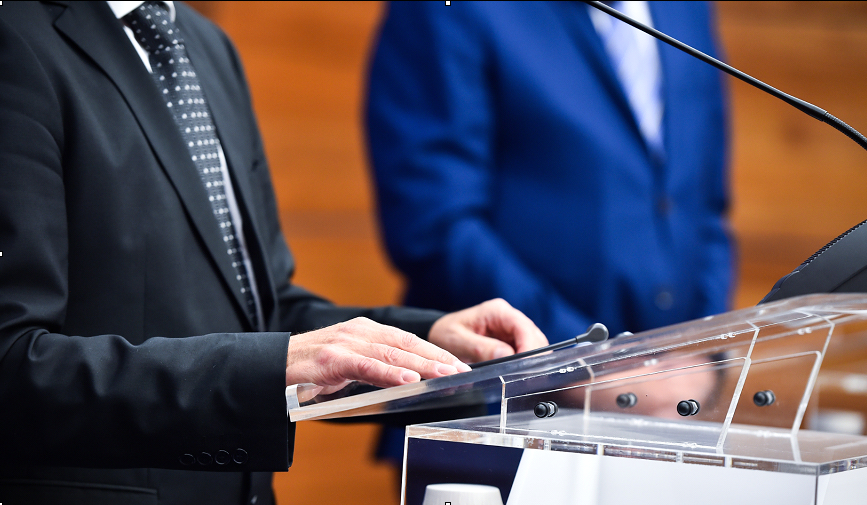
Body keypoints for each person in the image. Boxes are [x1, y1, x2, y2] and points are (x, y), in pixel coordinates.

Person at [0, 2, 548, 504]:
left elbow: (263, 313)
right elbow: (11, 360)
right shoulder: (15, 37)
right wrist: (268, 369)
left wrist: (428, 344)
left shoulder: (206, 44)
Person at [366, 0, 732, 469]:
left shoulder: (688, 8)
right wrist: (580, 364)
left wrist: (700, 353)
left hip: (670, 422)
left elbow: (704, 207)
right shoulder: (448, 8)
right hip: (498, 420)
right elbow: (435, 224)